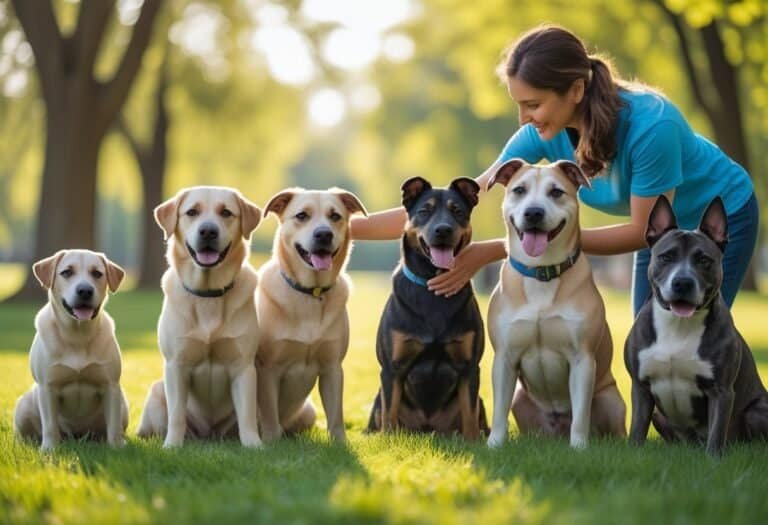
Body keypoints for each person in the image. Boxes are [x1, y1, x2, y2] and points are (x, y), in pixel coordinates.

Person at [351, 24, 759, 316]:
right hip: (659, 228)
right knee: (649, 337)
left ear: (576, 91)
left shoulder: (654, 127)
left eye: (532, 104)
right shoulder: (543, 130)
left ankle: (735, 423)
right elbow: (457, 198)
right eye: (518, 104)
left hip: (720, 215)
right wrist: (343, 229)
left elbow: (639, 232)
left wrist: (498, 250)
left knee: (697, 332)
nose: (524, 118)